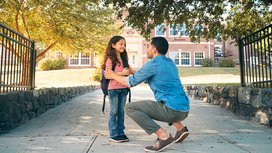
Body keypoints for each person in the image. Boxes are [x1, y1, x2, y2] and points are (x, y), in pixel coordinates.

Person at [105, 37, 190, 152]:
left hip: (171, 110)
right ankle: (180, 128)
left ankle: (163, 136)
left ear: (154, 50)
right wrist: (133, 72)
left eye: (148, 47)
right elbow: (147, 77)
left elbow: (131, 82)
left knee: (129, 108)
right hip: (184, 109)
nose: (147, 50)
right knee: (164, 101)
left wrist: (113, 75)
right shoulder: (169, 62)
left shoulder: (153, 64)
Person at [102, 35, 134, 143]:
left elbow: (132, 71)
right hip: (114, 89)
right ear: (113, 45)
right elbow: (107, 75)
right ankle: (114, 134)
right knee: (114, 111)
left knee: (121, 112)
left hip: (124, 88)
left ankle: (121, 132)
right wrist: (122, 73)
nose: (123, 46)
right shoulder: (110, 59)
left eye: (124, 44)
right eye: (121, 44)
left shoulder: (124, 59)